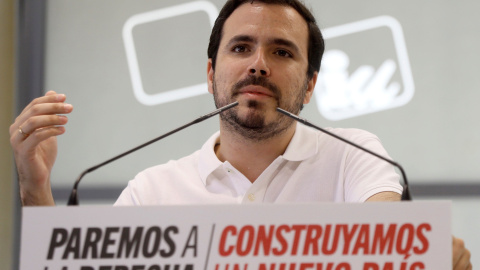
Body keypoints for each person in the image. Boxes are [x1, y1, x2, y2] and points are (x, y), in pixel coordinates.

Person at [9, 0, 471, 269]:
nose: (258, 64)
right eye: (241, 47)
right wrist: (36, 188)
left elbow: (387, 239)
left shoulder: (354, 155)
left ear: (310, 84)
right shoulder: (152, 191)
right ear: (211, 73)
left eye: (282, 51)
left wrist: (425, 251)